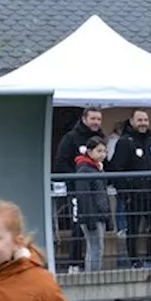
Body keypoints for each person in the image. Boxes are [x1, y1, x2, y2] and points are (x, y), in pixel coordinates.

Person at [109, 109, 151, 267]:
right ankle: (134, 259)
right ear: (132, 121)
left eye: (146, 120)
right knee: (133, 229)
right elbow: (116, 167)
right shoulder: (125, 141)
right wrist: (124, 192)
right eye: (139, 120)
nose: (143, 123)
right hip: (133, 195)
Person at [53, 108, 105, 270]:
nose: (96, 122)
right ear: (84, 118)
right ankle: (74, 264)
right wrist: (77, 179)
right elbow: (60, 162)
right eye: (93, 118)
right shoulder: (71, 137)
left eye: (98, 119)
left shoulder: (100, 138)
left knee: (95, 233)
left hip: (96, 191)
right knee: (78, 227)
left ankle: (88, 267)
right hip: (77, 191)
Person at [72, 136, 111, 272]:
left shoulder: (95, 169)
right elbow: (84, 196)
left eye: (104, 151)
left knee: (95, 247)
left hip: (98, 213)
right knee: (96, 248)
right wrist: (90, 219)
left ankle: (92, 274)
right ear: (89, 151)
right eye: (99, 151)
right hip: (92, 215)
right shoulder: (85, 170)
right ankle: (93, 275)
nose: (103, 154)